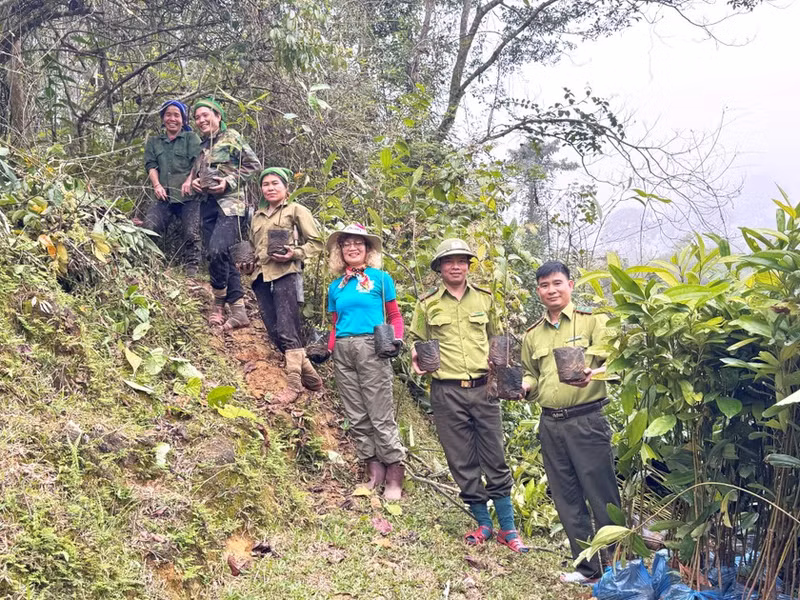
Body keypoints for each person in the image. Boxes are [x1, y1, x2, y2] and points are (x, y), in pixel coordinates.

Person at [410, 238, 529, 553]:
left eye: (461, 260)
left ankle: (508, 529)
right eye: (449, 261)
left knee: (495, 456)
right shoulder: (427, 303)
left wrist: (508, 378)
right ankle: (483, 524)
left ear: (468, 265)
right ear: (439, 268)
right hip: (446, 391)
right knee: (461, 459)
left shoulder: (486, 300)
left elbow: (499, 341)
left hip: (483, 389)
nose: (455, 266)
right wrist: (415, 358)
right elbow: (418, 340)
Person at [520, 260, 620, 584]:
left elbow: (616, 359)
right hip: (551, 424)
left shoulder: (592, 322)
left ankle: (617, 569)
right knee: (567, 498)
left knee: (602, 495)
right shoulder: (532, 335)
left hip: (587, 420)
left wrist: (596, 373)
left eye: (557, 283)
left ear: (570, 285)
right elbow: (530, 374)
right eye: (545, 285)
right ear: (538, 291)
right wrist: (525, 386)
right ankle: (588, 570)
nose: (552, 290)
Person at [326, 224, 406, 500]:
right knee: (357, 414)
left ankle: (394, 473)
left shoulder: (381, 279)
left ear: (367, 249)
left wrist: (396, 340)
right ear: (340, 251)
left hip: (372, 346)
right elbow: (335, 324)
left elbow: (395, 316)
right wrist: (328, 349)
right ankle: (374, 472)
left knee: (379, 411)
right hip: (343, 351)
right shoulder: (335, 286)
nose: (352, 247)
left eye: (358, 243)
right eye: (346, 243)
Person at [238, 167, 324, 403]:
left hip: (287, 273)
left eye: (275, 183)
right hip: (261, 276)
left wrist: (294, 253)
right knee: (274, 331)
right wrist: (247, 265)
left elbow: (317, 243)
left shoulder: (296, 210)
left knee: (288, 330)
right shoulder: (257, 216)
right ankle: (314, 380)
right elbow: (256, 249)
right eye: (266, 184)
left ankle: (294, 386)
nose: (270, 188)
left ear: (286, 188)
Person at [189, 97, 262, 331]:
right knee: (218, 257)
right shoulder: (201, 147)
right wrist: (195, 183)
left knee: (218, 249)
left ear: (218, 116)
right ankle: (239, 310)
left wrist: (228, 181)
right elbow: (195, 177)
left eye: (205, 115)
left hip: (231, 206)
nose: (201, 120)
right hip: (207, 206)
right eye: (197, 117)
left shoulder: (231, 137)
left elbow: (254, 166)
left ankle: (219, 301)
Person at [143, 100, 202, 276]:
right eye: (168, 114)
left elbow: (198, 161)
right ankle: (150, 265)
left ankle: (191, 270)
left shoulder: (191, 138)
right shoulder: (155, 142)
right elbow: (151, 165)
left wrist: (189, 180)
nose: (172, 118)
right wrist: (157, 185)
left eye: (177, 115)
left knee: (191, 233)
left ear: (183, 120)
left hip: (188, 196)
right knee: (149, 227)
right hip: (164, 197)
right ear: (163, 118)